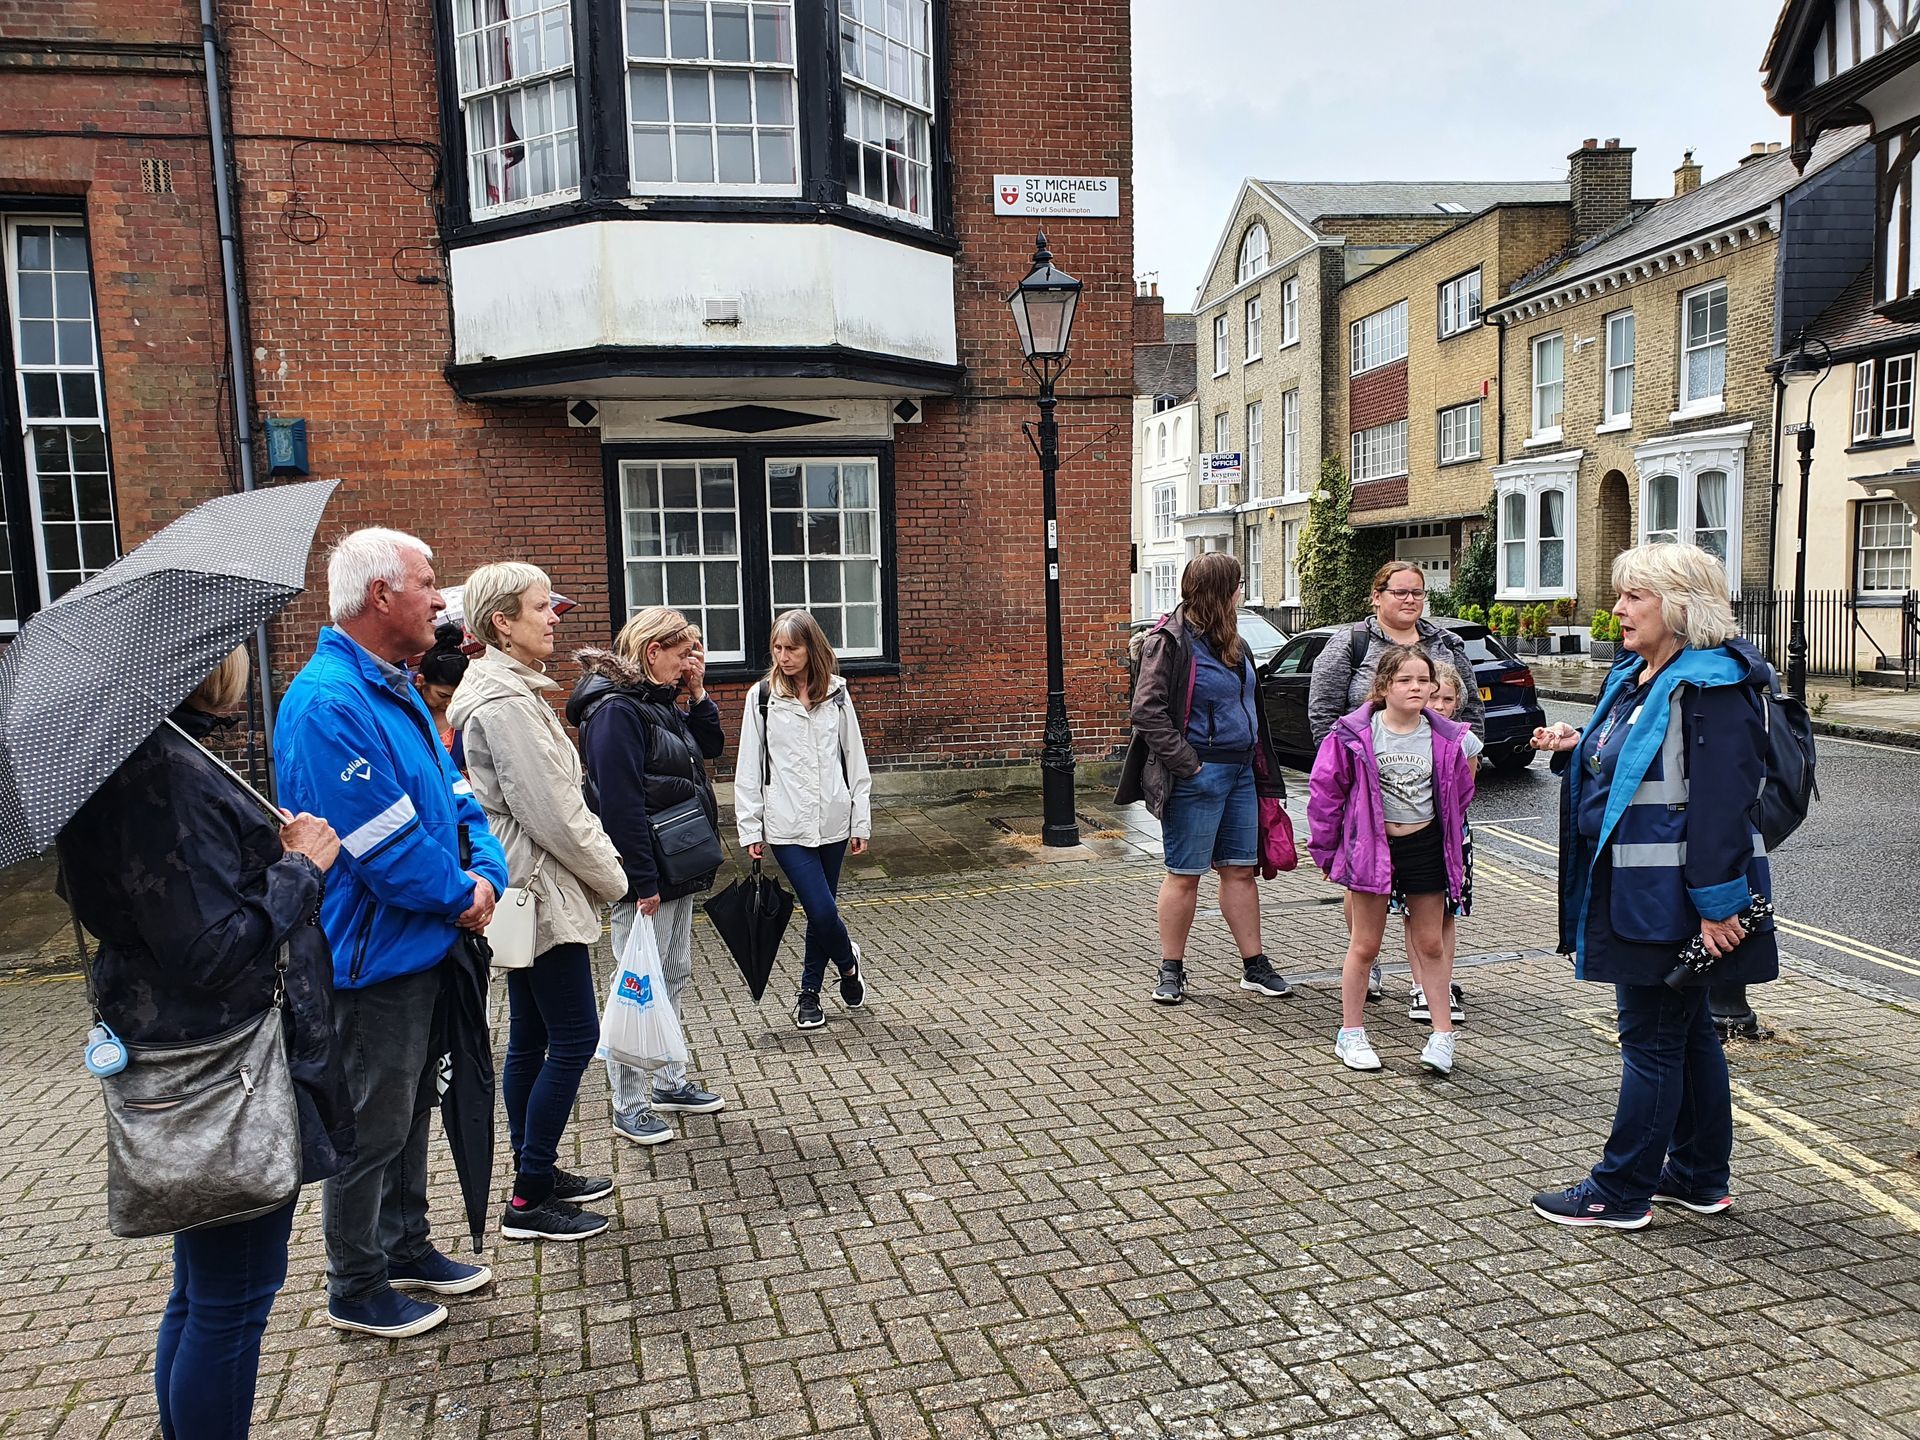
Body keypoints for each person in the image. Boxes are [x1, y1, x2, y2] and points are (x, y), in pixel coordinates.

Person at [57, 646, 353, 1439]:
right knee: (234, 1297)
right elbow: (210, 949)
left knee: (201, 1286)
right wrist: (298, 868)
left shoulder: (125, 763)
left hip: (184, 1052)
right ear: (213, 670)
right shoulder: (170, 779)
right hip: (225, 1068)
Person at [274, 528, 509, 1339]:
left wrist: (487, 875)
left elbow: (455, 795)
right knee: (372, 1124)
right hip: (372, 959)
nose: (442, 599)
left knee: (413, 1106)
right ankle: (356, 1283)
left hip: (425, 941)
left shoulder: (399, 687)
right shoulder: (328, 706)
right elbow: (382, 843)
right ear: (380, 596)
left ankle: (406, 1244)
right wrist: (461, 895)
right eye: (428, 582)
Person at [1528, 543, 1778, 1229]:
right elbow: (1639, 767)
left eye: (1634, 595)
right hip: (1641, 894)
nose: (1617, 608)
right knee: (1688, 1032)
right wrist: (1581, 748)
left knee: (1651, 1041)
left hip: (1671, 902)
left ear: (1678, 605)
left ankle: (1619, 1189)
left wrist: (1719, 904)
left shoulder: (1711, 685)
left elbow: (1723, 803)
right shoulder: (1643, 675)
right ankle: (1698, 1175)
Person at [447, 563, 629, 1242]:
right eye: (539, 607)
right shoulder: (505, 702)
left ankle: (538, 1170)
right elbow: (553, 811)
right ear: (503, 622)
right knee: (576, 1035)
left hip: (521, 883)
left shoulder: (503, 690)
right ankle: (528, 1199)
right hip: (538, 886)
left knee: (531, 1033)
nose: (553, 617)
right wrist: (617, 877)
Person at [568, 607, 727, 1145]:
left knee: (673, 973)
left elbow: (709, 749)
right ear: (652, 651)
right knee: (638, 981)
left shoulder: (656, 701)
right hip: (649, 871)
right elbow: (618, 802)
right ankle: (627, 1101)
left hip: (676, 863)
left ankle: (668, 1080)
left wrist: (698, 694)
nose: (690, 662)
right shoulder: (616, 711)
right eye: (683, 654)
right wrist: (641, 881)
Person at [1117, 551, 1293, 1005]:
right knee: (1184, 874)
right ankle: (1171, 969)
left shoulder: (1235, 641)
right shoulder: (1169, 642)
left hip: (1240, 771)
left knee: (1240, 871)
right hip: (1198, 774)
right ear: (1221, 591)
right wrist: (1187, 764)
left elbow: (1250, 706)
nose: (1242, 592)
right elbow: (1147, 712)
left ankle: (1254, 966)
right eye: (1237, 585)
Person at [1308, 560, 1485, 1003]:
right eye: (1399, 592)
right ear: (1377, 595)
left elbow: (1471, 717)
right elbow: (1325, 716)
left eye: (1417, 593)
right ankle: (1367, 967)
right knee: (1365, 885)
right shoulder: (1352, 643)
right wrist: (1349, 776)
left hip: (1432, 790)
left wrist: (1465, 774)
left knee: (1432, 892)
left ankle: (1427, 982)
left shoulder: (1446, 643)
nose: (1409, 600)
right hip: (1369, 792)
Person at [1307, 644, 1476, 1075]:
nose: (1417, 687)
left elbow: (1460, 793)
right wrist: (1327, 852)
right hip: (1373, 847)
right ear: (1383, 687)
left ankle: (1442, 1036)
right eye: (1405, 680)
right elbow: (1326, 796)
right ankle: (1351, 1033)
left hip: (1426, 846)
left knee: (1431, 944)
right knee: (1365, 944)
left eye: (1424, 680)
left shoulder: (1445, 735)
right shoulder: (1353, 733)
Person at [734, 608, 876, 1030]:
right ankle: (848, 966)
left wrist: (860, 821)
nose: (783, 656)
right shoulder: (761, 698)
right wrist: (749, 827)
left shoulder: (838, 694)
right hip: (786, 824)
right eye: (777, 648)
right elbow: (749, 767)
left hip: (833, 817)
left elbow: (855, 758)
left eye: (791, 648)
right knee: (819, 906)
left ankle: (809, 994)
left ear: (811, 648)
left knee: (821, 911)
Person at [1401, 661, 1479, 1026]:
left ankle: (1441, 983)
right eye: (1434, 697)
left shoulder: (1465, 740)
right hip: (1417, 838)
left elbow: (1466, 793)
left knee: (1448, 912)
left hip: (1452, 836)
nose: (1440, 705)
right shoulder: (1408, 735)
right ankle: (1420, 985)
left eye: (1448, 699)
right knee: (1414, 913)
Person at [415, 622, 470, 767]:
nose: (450, 703)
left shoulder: (469, 710)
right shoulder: (406, 712)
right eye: (442, 695)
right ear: (420, 681)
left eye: (457, 696)